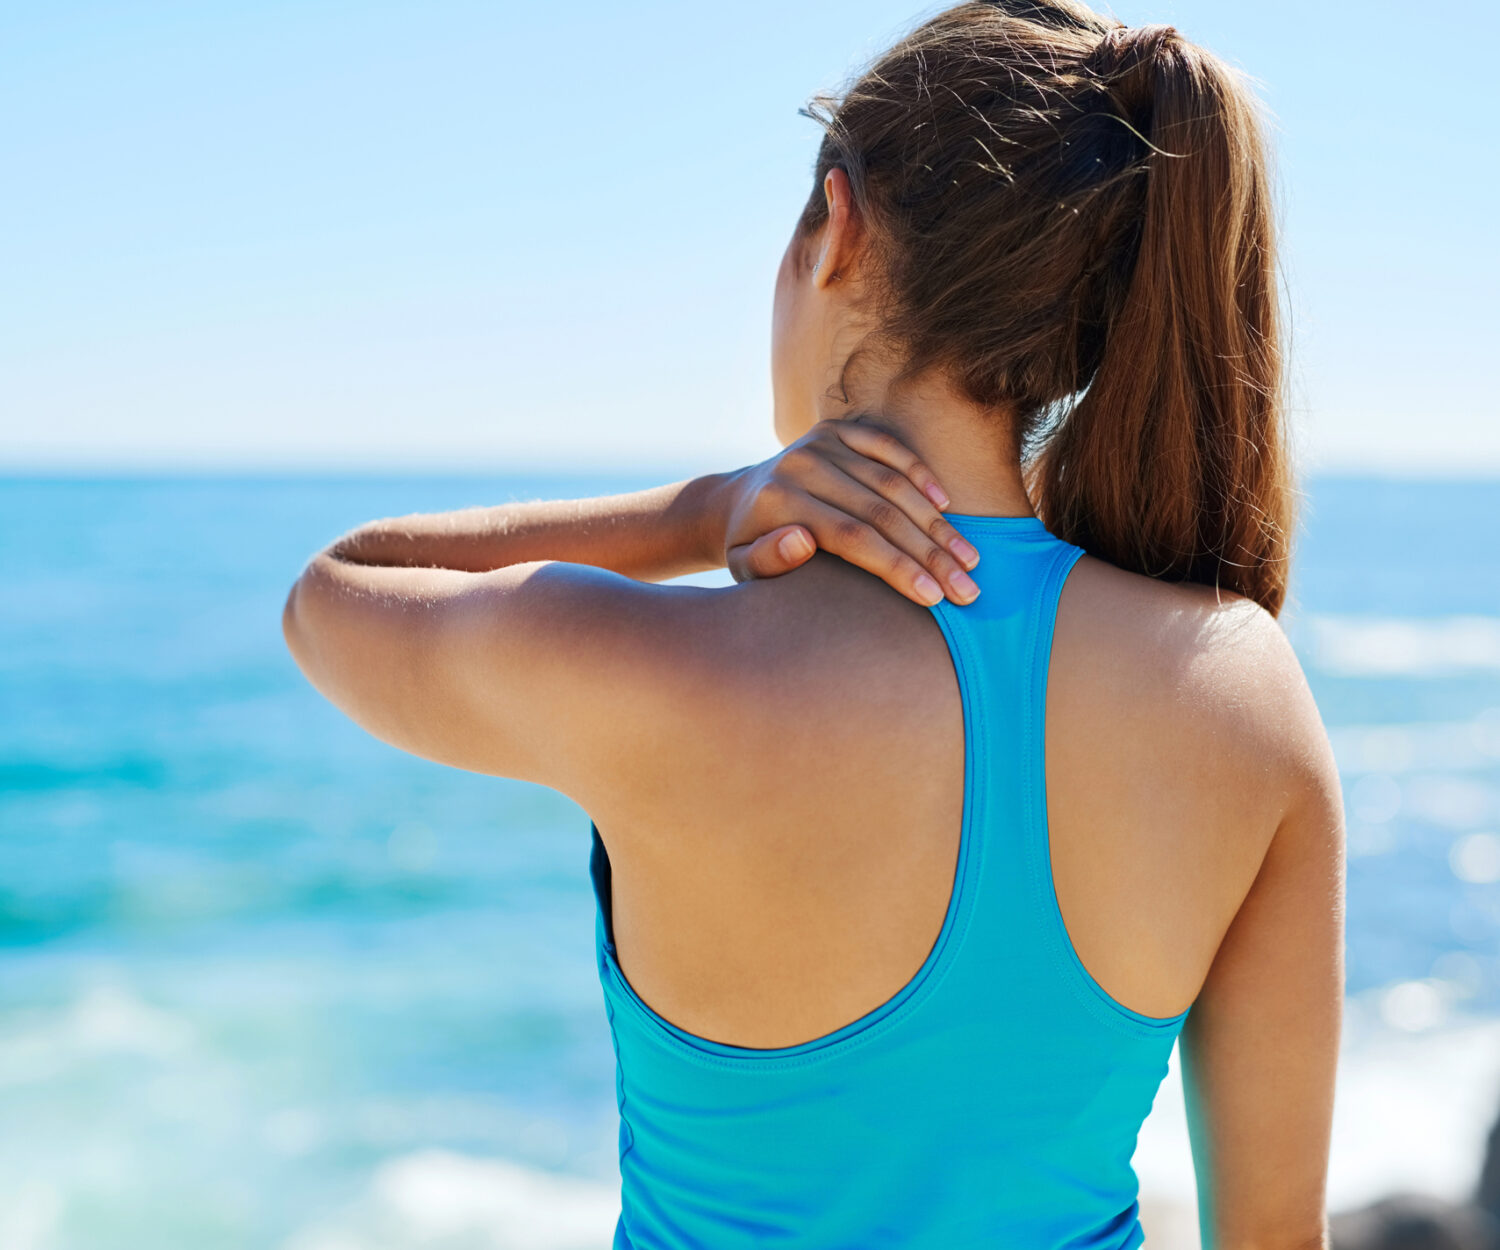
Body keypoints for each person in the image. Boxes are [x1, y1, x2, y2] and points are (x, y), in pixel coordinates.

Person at [283, 2, 1346, 1246]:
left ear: (836, 230)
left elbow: (332, 595)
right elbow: (1276, 1234)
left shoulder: (650, 669)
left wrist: (705, 511)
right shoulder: (1242, 689)